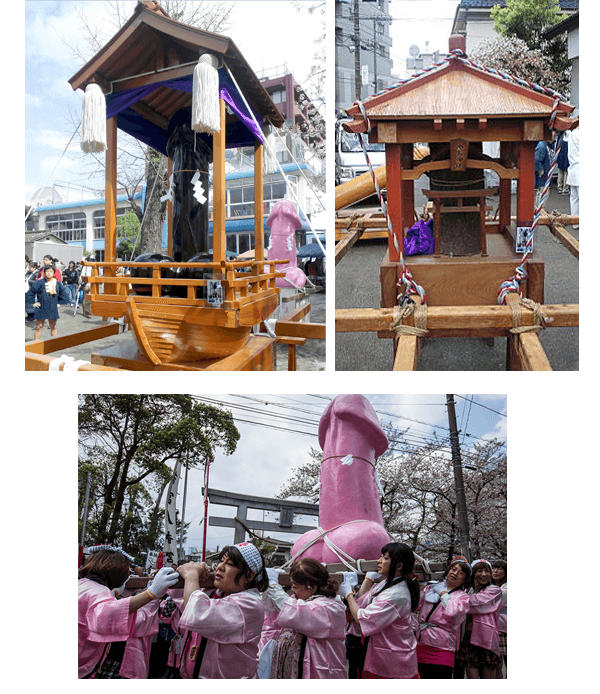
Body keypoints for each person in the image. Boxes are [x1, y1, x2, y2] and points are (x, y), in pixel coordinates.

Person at [78, 546, 179, 678]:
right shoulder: (99, 592)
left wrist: (116, 593)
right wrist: (150, 593)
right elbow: (108, 614)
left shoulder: (82, 584)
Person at [176, 542, 268, 678]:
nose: (220, 567)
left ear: (249, 575)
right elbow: (184, 600)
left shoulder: (249, 605)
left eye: (229, 563)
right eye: (221, 561)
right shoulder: (218, 593)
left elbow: (196, 612)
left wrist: (191, 575)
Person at [340, 542, 420, 679]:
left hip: (393, 661)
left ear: (399, 566)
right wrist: (358, 588)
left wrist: (348, 594)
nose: (379, 560)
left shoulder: (396, 595)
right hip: (383, 655)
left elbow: (361, 618)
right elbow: (361, 603)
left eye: (385, 558)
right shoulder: (385, 584)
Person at [264, 558, 347, 678]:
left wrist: (272, 585)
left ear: (312, 587)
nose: (292, 590)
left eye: (294, 585)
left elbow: (296, 612)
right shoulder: (306, 600)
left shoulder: (329, 608)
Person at [416, 559, 471, 679]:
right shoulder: (432, 588)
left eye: (461, 573)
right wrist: (421, 587)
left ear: (465, 579)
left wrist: (444, 594)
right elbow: (416, 606)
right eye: (453, 569)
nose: (455, 573)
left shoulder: (463, 597)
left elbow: (453, 614)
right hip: (421, 643)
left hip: (443, 647)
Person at [455, 559, 502, 679]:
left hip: (487, 639)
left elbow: (475, 604)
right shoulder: (467, 591)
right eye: (479, 571)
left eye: (487, 571)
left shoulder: (494, 590)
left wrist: (456, 599)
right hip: (468, 638)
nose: (484, 574)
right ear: (473, 573)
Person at [26, 264, 71, 340]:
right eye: (47, 271)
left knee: (53, 327)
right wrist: (34, 303)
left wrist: (59, 303)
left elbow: (64, 295)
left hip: (52, 307)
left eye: (51, 271)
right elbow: (30, 292)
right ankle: (36, 344)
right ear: (44, 273)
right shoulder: (39, 282)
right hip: (41, 307)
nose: (49, 273)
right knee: (39, 327)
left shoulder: (57, 283)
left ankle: (54, 344)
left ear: (54, 273)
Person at [491, 560, 507, 678]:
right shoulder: (491, 586)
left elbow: (497, 598)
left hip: (505, 628)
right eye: (494, 568)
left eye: (499, 568)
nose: (495, 571)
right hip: (493, 629)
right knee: (496, 665)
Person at [567, 121, 579, 229]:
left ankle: (575, 222)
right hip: (580, 169)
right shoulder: (579, 135)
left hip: (573, 169)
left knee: (574, 198)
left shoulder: (571, 134)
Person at [534, 140, 550, 204]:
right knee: (542, 193)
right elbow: (537, 159)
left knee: (542, 193)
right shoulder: (542, 145)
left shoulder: (544, 145)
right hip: (542, 175)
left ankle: (539, 209)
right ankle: (539, 210)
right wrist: (540, 170)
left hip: (544, 174)